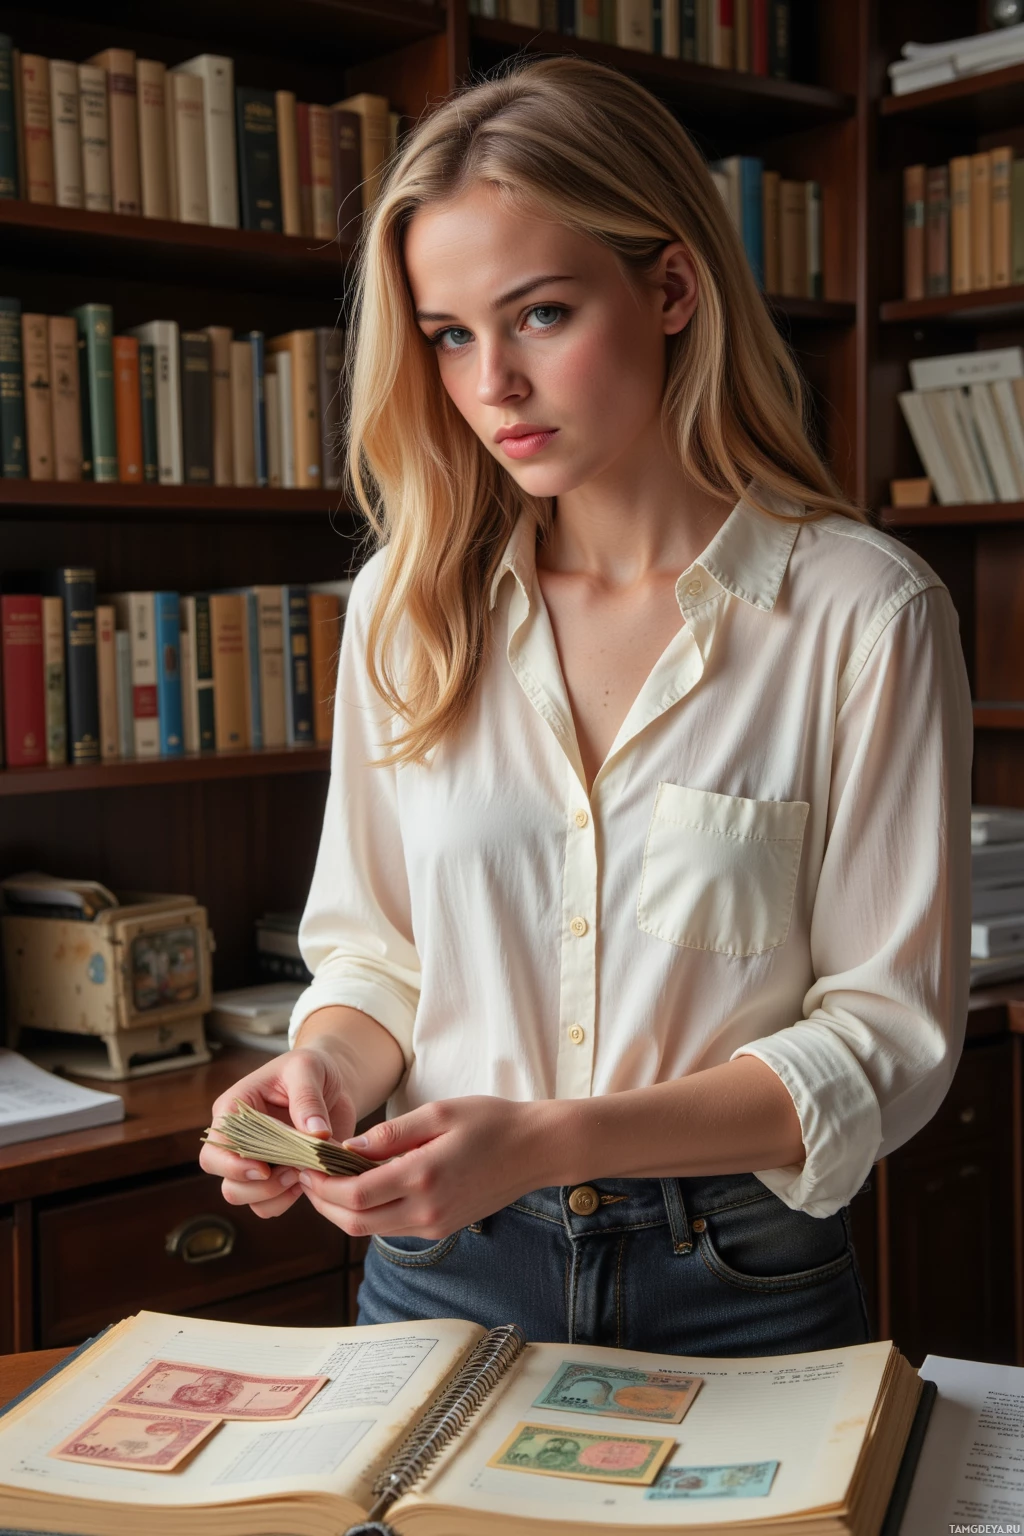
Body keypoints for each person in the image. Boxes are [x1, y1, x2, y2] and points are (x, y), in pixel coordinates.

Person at [199, 55, 973, 1357]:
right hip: (436, 1267)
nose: (491, 381)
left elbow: (888, 1039)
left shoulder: (862, 613)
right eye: (450, 334)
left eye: (540, 314)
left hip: (737, 1282)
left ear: (669, 288)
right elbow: (379, 952)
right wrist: (325, 1067)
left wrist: (555, 1140)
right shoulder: (408, 600)